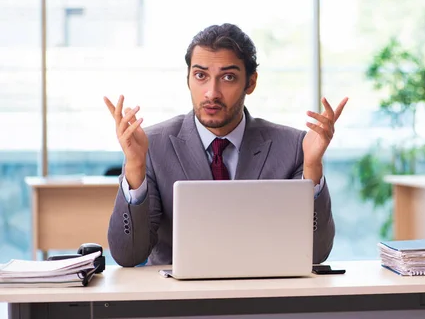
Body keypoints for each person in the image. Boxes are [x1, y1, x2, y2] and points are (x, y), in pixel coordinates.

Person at [104, 23, 348, 267]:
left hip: (263, 297)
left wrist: (313, 166)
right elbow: (128, 255)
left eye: (228, 77)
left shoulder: (294, 147)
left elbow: (316, 253)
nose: (212, 93)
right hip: (178, 298)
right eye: (201, 76)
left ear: (250, 83)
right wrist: (135, 165)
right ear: (188, 79)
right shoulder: (152, 146)